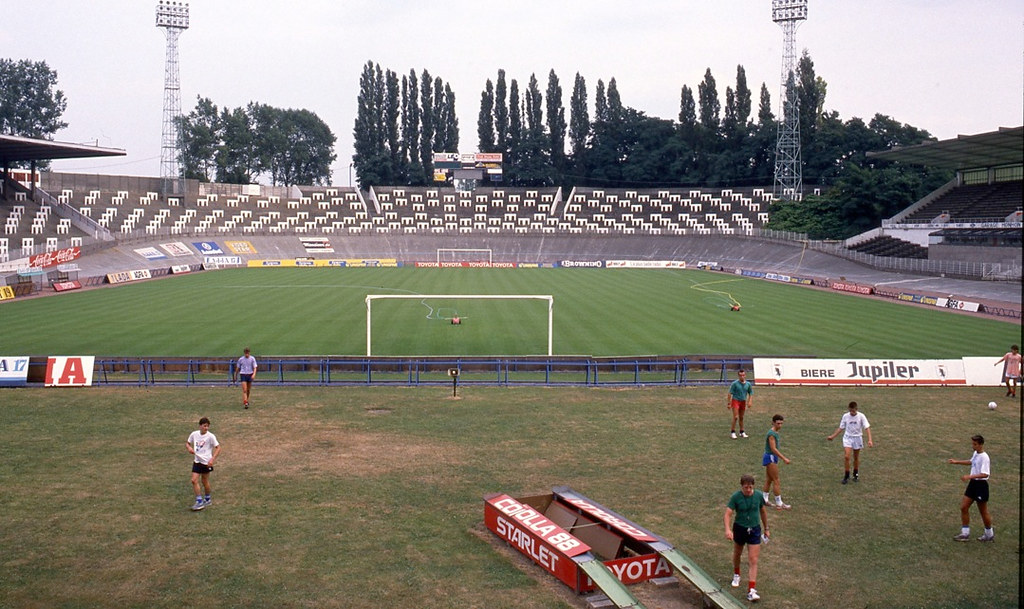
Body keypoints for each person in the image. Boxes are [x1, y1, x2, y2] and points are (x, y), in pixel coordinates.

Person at [724, 473, 770, 603]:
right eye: (746, 487)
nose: (748, 490)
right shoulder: (736, 497)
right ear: (741, 487)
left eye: (750, 487)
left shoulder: (759, 496)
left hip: (754, 529)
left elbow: (763, 512)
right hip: (740, 528)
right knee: (737, 553)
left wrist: (766, 528)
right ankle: (736, 574)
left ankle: (751, 590)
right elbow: (728, 514)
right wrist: (728, 529)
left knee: (753, 559)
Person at [948, 435, 994, 542]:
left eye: (975, 444)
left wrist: (969, 476)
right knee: (964, 507)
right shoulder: (976, 453)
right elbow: (971, 461)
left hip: (981, 486)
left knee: (983, 511)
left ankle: (989, 534)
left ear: (981, 444)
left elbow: (985, 474)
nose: (973, 446)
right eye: (972, 444)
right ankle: (965, 533)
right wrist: (956, 462)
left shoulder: (984, 457)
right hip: (973, 485)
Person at [826, 401, 874, 484]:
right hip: (848, 438)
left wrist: (870, 440)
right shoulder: (845, 416)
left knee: (856, 457)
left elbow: (867, 428)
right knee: (847, 456)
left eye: (853, 411)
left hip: (857, 438)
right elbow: (841, 428)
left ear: (856, 409)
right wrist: (832, 436)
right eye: (850, 411)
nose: (852, 413)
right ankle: (846, 475)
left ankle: (855, 474)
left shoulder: (861, 416)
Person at [186, 417, 221, 511]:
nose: (206, 428)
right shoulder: (194, 434)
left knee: (204, 481)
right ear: (200, 426)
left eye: (207, 426)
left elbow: (218, 448)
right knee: (194, 480)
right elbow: (188, 443)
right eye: (204, 426)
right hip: (197, 461)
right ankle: (199, 501)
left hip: (206, 462)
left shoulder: (211, 436)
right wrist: (189, 448)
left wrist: (212, 459)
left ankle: (207, 498)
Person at [761, 414, 791, 510]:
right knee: (776, 480)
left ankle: (764, 499)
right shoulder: (772, 434)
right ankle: (779, 502)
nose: (780, 426)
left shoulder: (775, 432)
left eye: (781, 423)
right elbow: (773, 449)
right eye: (778, 423)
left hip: (770, 457)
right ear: (773, 422)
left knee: (769, 479)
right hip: (771, 457)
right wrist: (784, 458)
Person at [727, 369, 754, 439]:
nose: (742, 377)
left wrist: (750, 401)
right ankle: (732, 432)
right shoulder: (735, 384)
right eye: (740, 375)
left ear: (745, 375)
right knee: (736, 417)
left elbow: (750, 393)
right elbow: (730, 393)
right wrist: (729, 403)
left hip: (743, 401)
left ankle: (742, 431)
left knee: (741, 417)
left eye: (743, 375)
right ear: (738, 376)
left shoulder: (748, 384)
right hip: (735, 400)